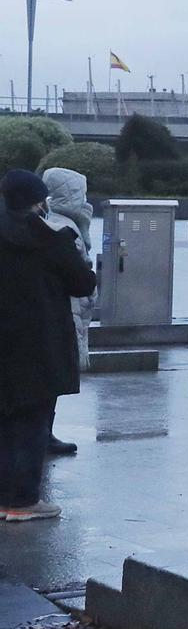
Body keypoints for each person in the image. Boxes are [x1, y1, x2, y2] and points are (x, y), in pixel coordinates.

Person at [0, 170, 94, 523]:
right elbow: (83, 284)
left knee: (6, 421)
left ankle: (5, 499)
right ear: (40, 201)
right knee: (32, 423)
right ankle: (22, 501)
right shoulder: (52, 239)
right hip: (40, 343)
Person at [39, 167, 93, 456]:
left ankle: (42, 433)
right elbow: (79, 277)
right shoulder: (67, 228)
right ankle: (43, 434)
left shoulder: (50, 220)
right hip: (65, 311)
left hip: (58, 309)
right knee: (52, 375)